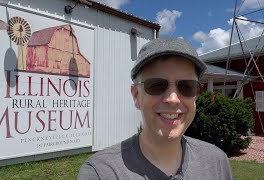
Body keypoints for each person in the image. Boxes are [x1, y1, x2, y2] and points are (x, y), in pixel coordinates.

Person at [77, 38, 233, 180]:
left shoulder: (217, 162)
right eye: (157, 85)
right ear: (136, 96)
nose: (172, 99)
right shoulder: (101, 173)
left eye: (187, 86)